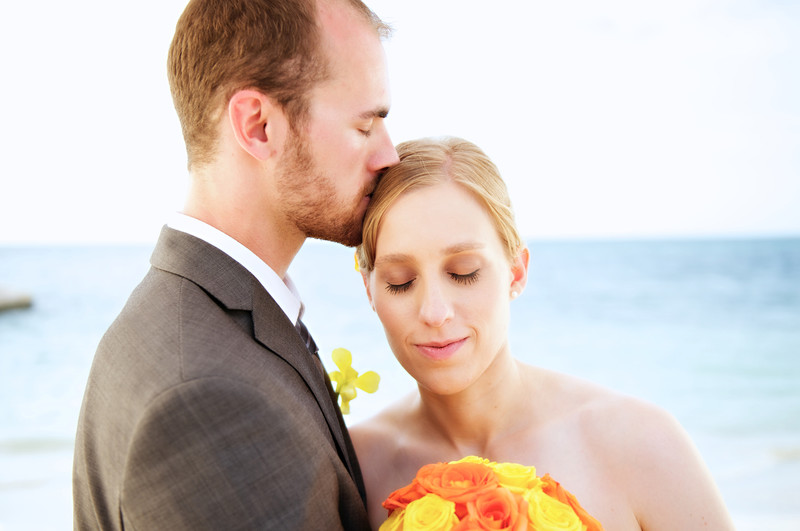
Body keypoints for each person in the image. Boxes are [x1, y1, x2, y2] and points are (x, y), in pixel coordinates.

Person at [72, 0, 399, 528]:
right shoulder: (207, 397)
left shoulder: (177, 320)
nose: (390, 155)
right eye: (365, 127)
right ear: (259, 126)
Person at [351, 137, 735, 530]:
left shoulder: (641, 443)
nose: (434, 313)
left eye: (463, 273)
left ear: (516, 272)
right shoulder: (355, 469)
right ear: (369, 289)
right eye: (400, 281)